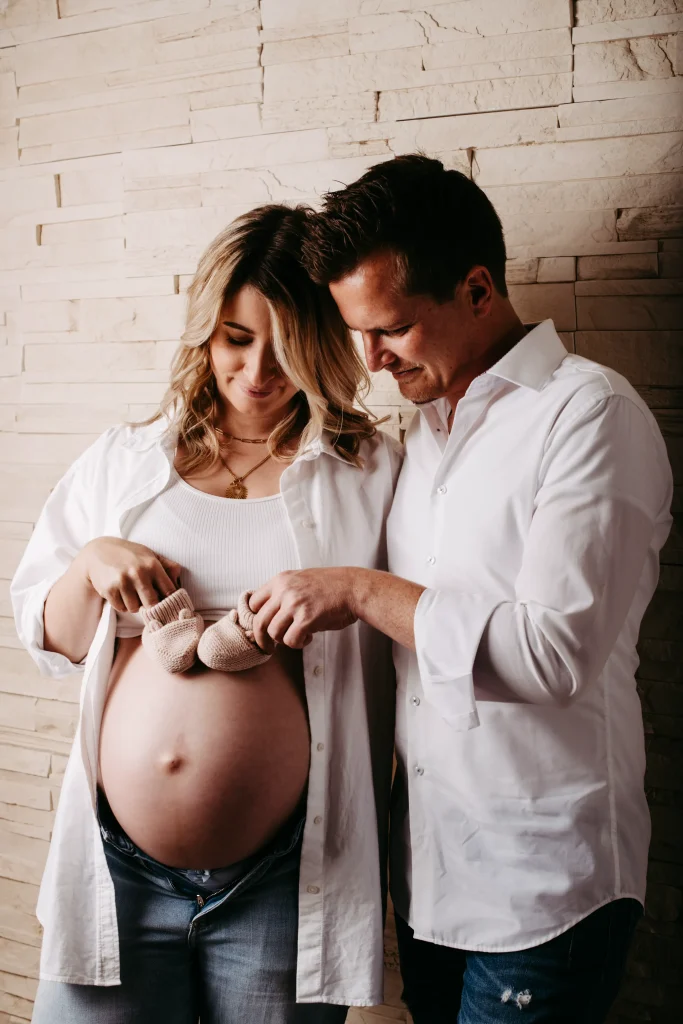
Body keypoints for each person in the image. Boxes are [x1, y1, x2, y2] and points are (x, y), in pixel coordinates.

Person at [247, 156, 674, 1024]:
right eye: (355, 333)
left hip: (547, 888)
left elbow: (551, 656)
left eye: (392, 330)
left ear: (477, 289)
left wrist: (363, 592)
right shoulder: (422, 434)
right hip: (432, 876)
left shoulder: (589, 415)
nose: (369, 361)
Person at [11, 204, 402, 1024]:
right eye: (235, 338)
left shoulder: (367, 471)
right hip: (119, 874)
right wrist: (90, 565)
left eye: (286, 344)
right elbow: (47, 637)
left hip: (282, 880)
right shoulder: (125, 461)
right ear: (205, 333)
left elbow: (413, 630)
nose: (258, 369)